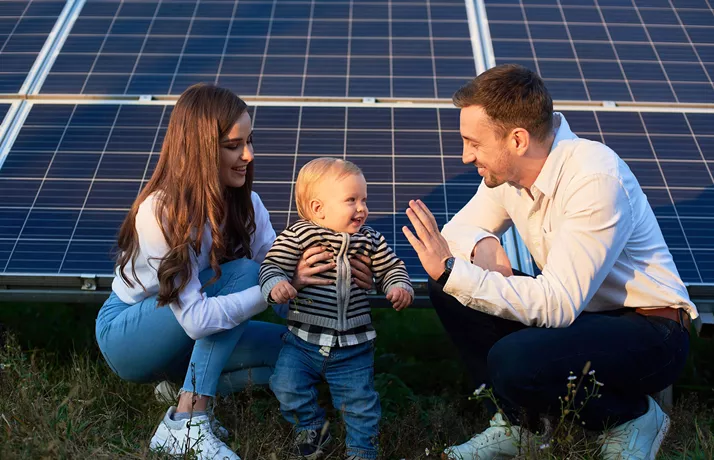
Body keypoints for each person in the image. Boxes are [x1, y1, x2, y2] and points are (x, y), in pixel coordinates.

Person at [401, 64, 697, 459]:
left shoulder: (594, 179)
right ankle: (516, 427)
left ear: (518, 140)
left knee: (512, 354)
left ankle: (632, 417)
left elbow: (556, 305)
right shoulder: (509, 175)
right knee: (449, 287)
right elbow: (456, 233)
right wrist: (481, 245)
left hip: (649, 330)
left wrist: (457, 269)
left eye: (474, 143)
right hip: (583, 318)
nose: (466, 155)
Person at [94, 85, 374, 460]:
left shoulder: (249, 205)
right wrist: (280, 285)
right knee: (245, 273)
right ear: (200, 149)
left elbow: (285, 293)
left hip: (185, 339)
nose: (248, 155)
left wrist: (343, 280)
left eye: (249, 141)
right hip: (129, 336)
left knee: (304, 354)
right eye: (232, 145)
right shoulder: (159, 212)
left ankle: (181, 385)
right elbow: (196, 320)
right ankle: (186, 423)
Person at [259, 158, 414, 460]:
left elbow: (392, 267)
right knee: (286, 385)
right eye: (351, 200)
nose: (361, 208)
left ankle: (361, 451)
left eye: (364, 200)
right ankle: (311, 427)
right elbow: (272, 265)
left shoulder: (369, 240)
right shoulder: (299, 236)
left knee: (360, 404)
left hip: (353, 345)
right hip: (303, 340)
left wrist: (399, 286)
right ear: (319, 209)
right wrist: (276, 283)